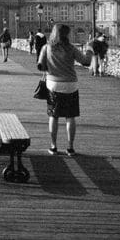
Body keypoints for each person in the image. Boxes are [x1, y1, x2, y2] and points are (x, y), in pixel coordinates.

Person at [37, 23, 92, 156]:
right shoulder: (71, 48)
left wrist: (50, 66)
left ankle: (53, 146)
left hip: (53, 84)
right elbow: (86, 62)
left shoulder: (47, 47)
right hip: (70, 85)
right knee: (70, 117)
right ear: (66, 34)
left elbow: (40, 66)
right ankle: (70, 148)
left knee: (53, 116)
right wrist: (90, 49)